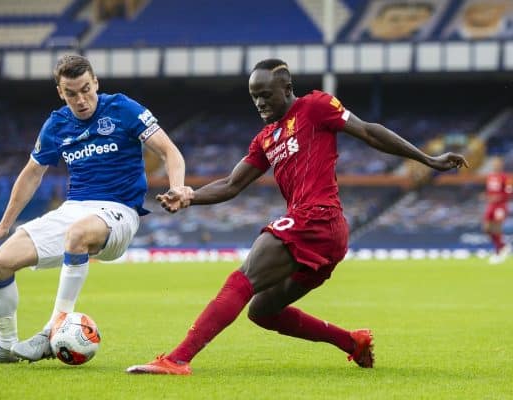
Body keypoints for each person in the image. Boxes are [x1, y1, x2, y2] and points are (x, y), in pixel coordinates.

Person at [126, 59, 469, 375]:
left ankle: (178, 359)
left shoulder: (316, 107)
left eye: (265, 95)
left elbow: (368, 131)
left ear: (287, 89)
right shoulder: (264, 139)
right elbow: (232, 185)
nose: (259, 103)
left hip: (318, 218)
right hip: (321, 235)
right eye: (253, 97)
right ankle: (352, 342)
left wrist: (428, 159)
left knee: (242, 278)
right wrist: (189, 196)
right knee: (262, 311)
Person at [0, 54, 190, 364]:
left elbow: (169, 151)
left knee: (77, 234)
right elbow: (32, 174)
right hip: (74, 209)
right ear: (60, 92)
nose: (81, 99)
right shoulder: (57, 124)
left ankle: (53, 329)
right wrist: (4, 225)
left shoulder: (122, 108)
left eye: (86, 89)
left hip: (119, 211)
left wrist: (177, 186)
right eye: (71, 93)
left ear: (96, 82)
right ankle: (5, 346)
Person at [484, 156, 512, 264]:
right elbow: (490, 191)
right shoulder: (490, 176)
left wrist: (499, 197)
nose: (495, 165)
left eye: (497, 163)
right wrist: (487, 196)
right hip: (491, 205)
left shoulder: (506, 177)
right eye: (494, 163)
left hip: (500, 206)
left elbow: (509, 192)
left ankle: (498, 252)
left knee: (496, 228)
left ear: (501, 165)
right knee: (487, 228)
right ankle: (503, 246)